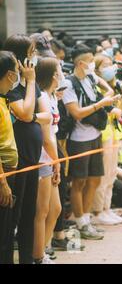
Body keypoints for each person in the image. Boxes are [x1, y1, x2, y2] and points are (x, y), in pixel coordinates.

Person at [4, 35, 52, 264]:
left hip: (33, 158)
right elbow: (23, 114)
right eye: (31, 51)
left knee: (28, 216)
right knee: (12, 218)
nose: (34, 56)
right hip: (17, 162)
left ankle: (27, 260)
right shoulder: (10, 85)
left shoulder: (26, 86)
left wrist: (30, 116)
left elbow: (47, 116)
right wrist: (31, 82)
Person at [62, 44, 118, 240]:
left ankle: (86, 220)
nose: (93, 64)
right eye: (91, 61)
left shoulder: (91, 78)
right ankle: (80, 223)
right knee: (79, 182)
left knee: (94, 179)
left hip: (95, 136)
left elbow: (109, 89)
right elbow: (76, 113)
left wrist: (105, 93)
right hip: (79, 140)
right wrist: (100, 104)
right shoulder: (69, 83)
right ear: (80, 63)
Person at [33, 58, 63, 264]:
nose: (62, 73)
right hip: (43, 158)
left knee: (56, 208)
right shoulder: (42, 96)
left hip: (51, 156)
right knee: (42, 211)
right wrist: (56, 161)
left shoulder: (51, 96)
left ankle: (44, 248)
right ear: (53, 74)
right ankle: (38, 255)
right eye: (59, 69)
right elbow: (46, 136)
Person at [91, 53, 122, 226]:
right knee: (103, 175)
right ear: (96, 69)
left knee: (112, 174)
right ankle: (97, 211)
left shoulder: (113, 87)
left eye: (111, 64)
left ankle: (106, 208)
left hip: (113, 134)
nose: (110, 68)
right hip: (103, 135)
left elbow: (120, 110)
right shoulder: (97, 89)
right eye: (105, 65)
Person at [0, 51, 20, 264]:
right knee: (3, 234)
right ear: (9, 74)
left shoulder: (3, 100)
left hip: (10, 171)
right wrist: (3, 182)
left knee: (7, 232)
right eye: (16, 68)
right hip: (3, 174)